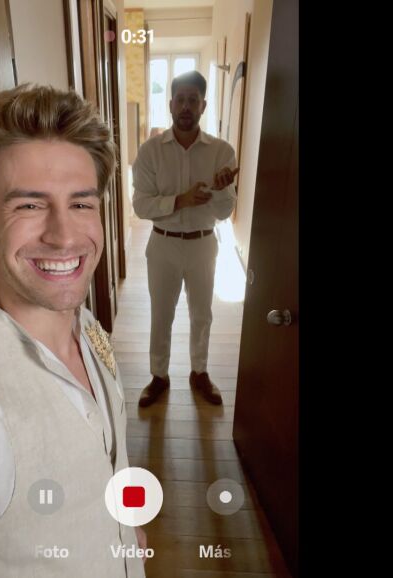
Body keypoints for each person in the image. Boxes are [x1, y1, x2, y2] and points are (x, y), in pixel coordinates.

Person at [0, 84, 146, 577]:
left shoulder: (89, 329)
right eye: (29, 206)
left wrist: (124, 529)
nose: (65, 236)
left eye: (82, 205)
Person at [132, 71, 239, 408]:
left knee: (202, 314)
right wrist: (181, 200)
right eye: (181, 99)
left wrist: (220, 190)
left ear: (203, 105)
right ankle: (159, 376)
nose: (186, 107)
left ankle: (200, 372)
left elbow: (225, 211)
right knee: (161, 314)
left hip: (204, 244)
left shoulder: (222, 152)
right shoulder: (150, 151)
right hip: (162, 245)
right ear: (170, 104)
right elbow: (140, 205)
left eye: (193, 100)